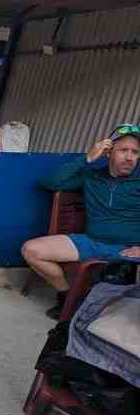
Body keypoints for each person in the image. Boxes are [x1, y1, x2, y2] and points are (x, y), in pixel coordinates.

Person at [21, 130, 140, 320]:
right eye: (123, 150)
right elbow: (49, 182)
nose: (129, 157)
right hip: (92, 242)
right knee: (32, 250)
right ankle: (68, 298)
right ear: (108, 152)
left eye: (135, 152)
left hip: (130, 250)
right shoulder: (92, 176)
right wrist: (87, 158)